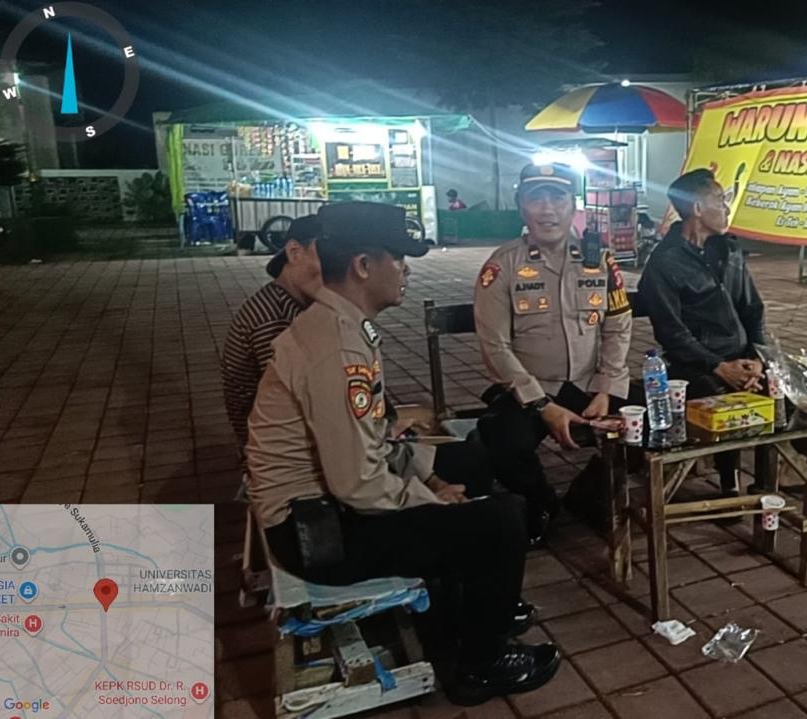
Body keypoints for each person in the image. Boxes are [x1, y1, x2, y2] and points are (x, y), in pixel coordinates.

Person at [246, 202, 559, 705]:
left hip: (329, 506)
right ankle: (481, 664)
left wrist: (429, 480)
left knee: (469, 461)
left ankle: (468, 607)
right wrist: (430, 498)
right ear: (362, 265)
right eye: (398, 258)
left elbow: (371, 439)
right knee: (501, 522)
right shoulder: (337, 348)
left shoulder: (343, 324)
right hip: (315, 533)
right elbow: (357, 484)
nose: (406, 270)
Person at [473, 163, 633, 544]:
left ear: (573, 205)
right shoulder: (502, 266)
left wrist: (606, 388)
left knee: (654, 425)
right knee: (499, 440)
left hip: (588, 385)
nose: (547, 209)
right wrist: (542, 405)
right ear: (521, 206)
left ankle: (586, 494)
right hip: (530, 390)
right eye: (536, 198)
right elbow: (495, 346)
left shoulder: (600, 259)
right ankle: (541, 502)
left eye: (558, 198)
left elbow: (618, 324)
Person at [639, 168, 767, 495]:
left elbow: (753, 308)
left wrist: (758, 358)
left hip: (743, 356)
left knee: (792, 385)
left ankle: (771, 480)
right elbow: (671, 333)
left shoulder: (730, 250)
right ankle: (729, 482)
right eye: (720, 200)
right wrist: (719, 366)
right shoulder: (664, 263)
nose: (726, 208)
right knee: (718, 394)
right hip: (696, 364)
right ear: (697, 208)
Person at [221, 215, 323, 458]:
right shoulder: (276, 321)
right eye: (328, 258)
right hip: (282, 455)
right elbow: (305, 402)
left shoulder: (286, 302)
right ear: (294, 252)